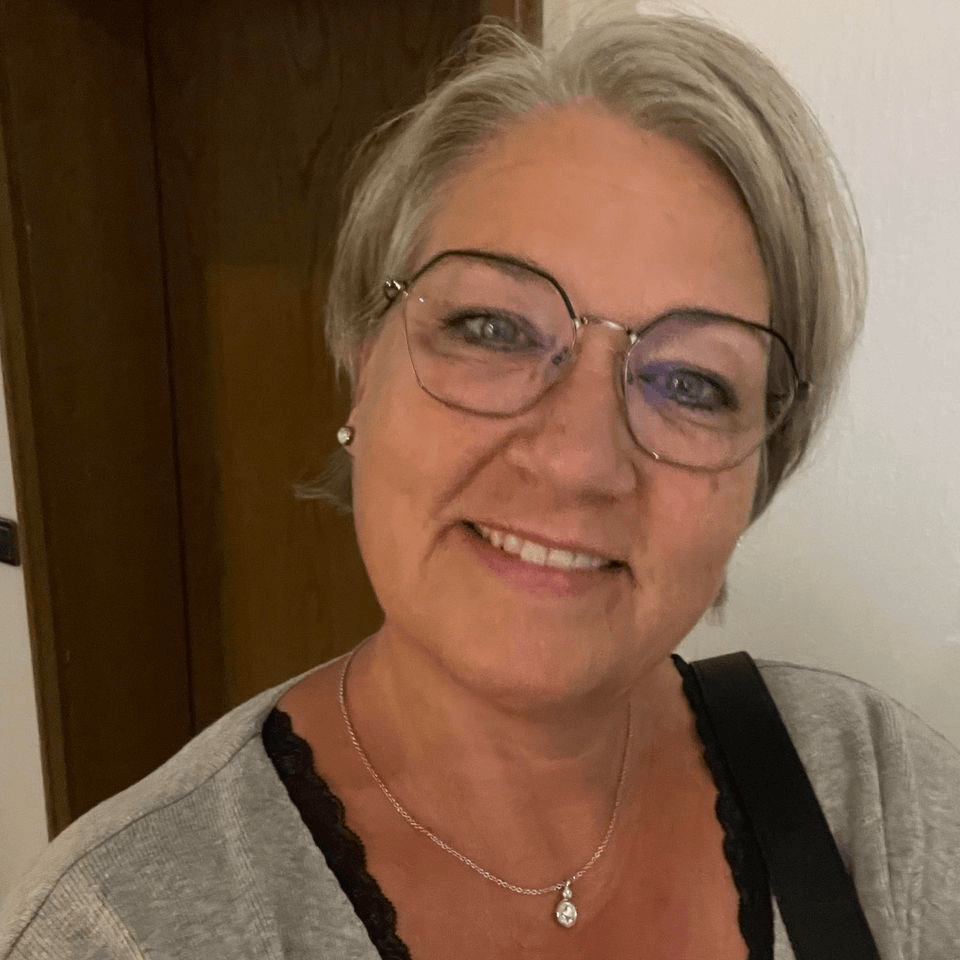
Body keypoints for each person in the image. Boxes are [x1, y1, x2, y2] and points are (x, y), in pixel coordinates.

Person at [2, 13, 959, 960]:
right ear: (363, 367)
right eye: (494, 329)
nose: (578, 460)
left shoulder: (880, 802)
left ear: (758, 470)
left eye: (692, 384)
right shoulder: (117, 931)